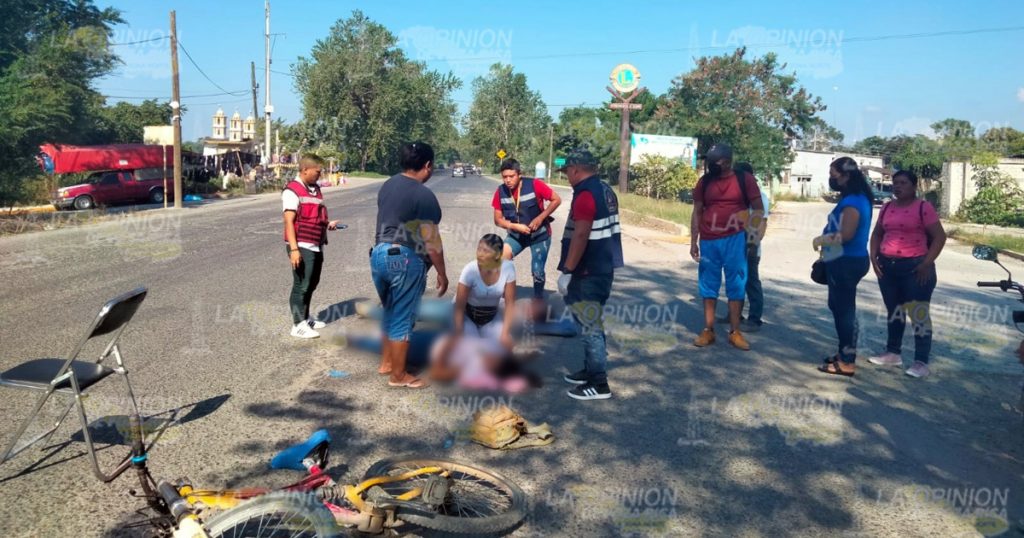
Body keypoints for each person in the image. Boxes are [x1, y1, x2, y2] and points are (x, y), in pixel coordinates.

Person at [371, 142, 448, 389]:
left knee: (390, 311)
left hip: (379, 254)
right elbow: (432, 240)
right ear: (427, 165)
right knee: (403, 317)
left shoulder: (388, 185)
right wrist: (442, 274)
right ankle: (399, 375)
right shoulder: (423, 194)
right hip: (404, 258)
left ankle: (387, 363)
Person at [558, 149, 624, 401]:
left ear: (576, 169)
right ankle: (589, 369)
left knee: (590, 327)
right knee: (590, 324)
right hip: (602, 268)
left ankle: (598, 383)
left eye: (567, 172)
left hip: (587, 271)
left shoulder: (586, 194)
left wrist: (568, 270)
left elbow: (581, 234)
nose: (567, 177)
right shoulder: (606, 189)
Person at [867, 170, 946, 378]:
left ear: (913, 186)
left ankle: (921, 361)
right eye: (895, 182)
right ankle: (893, 353)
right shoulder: (887, 207)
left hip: (915, 268)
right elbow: (877, 233)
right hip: (887, 267)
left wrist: (926, 264)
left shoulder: (923, 207)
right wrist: (873, 256)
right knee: (895, 312)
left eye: (903, 183)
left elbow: (939, 237)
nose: (897, 186)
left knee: (918, 314)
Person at [690, 144, 765, 350]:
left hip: (735, 239)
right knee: (708, 285)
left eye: (713, 161)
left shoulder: (744, 180)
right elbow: (697, 212)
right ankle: (708, 330)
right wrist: (693, 241)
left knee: (736, 285)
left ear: (726, 162)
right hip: (708, 241)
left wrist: (752, 239)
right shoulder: (704, 183)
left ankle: (735, 332)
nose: (709, 165)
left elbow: (758, 210)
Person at [815, 157, 874, 377]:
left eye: (834, 176)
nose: (831, 179)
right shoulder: (858, 198)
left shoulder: (852, 202)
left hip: (846, 261)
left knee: (844, 312)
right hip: (845, 260)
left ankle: (847, 361)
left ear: (847, 176)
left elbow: (846, 235)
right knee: (842, 309)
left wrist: (821, 240)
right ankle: (844, 354)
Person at [492, 159, 561, 313]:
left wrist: (540, 218)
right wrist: (513, 226)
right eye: (504, 177)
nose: (508, 180)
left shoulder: (535, 184)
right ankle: (505, 296)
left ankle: (538, 298)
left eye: (512, 176)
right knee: (501, 257)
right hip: (517, 235)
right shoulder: (500, 191)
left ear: (520, 175)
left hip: (539, 235)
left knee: (537, 270)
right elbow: (497, 220)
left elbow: (557, 199)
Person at [282, 153, 339, 339]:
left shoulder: (315, 189)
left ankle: (306, 319)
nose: (319, 175)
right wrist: (294, 250)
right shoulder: (292, 190)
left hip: (316, 243)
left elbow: (315, 215)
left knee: (312, 283)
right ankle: (298, 325)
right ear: (305, 170)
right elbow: (289, 222)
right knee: (301, 285)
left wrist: (327, 224)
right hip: (301, 245)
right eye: (317, 171)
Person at [717, 162, 770, 332]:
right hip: (734, 245)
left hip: (750, 246)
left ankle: (755, 319)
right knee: (735, 280)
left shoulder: (760, 197)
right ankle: (735, 315)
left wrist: (751, 246)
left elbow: (761, 224)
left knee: (751, 282)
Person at [454, 234, 517, 350]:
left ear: (497, 255)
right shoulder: (470, 270)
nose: (480, 255)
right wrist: (459, 333)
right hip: (466, 316)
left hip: (491, 318)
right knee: (474, 350)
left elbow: (510, 304)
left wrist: (505, 334)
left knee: (506, 347)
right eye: (479, 249)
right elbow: (459, 307)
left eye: (485, 251)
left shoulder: (508, 268)